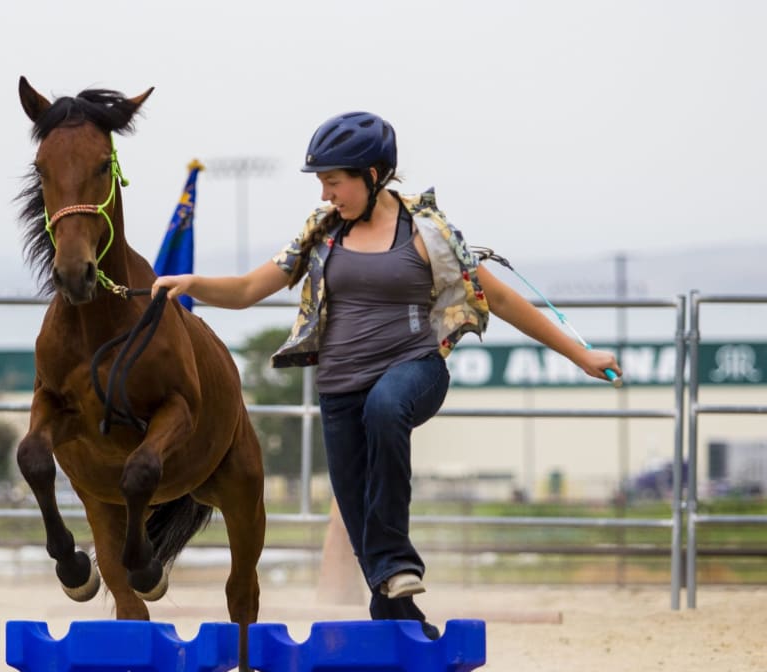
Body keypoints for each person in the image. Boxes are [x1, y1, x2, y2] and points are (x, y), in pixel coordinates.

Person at [152, 111, 622, 639]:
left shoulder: (428, 232)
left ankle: (400, 563)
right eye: (322, 183)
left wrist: (581, 355)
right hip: (338, 390)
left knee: (386, 409)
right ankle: (401, 618)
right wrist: (191, 283)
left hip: (414, 370)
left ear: (373, 175)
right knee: (363, 536)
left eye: (335, 181)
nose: (327, 193)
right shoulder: (322, 233)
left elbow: (504, 298)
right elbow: (246, 289)